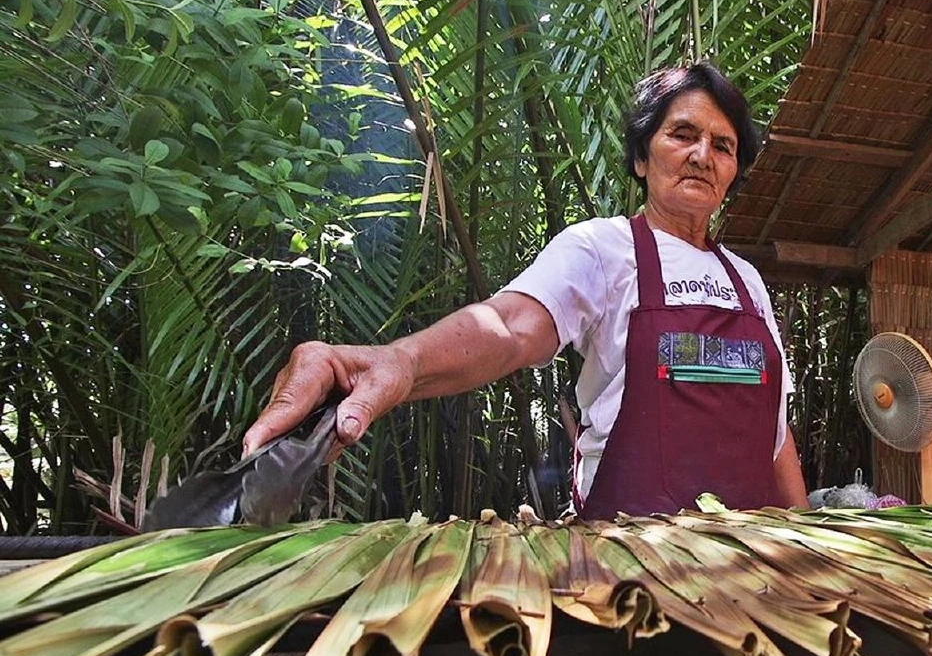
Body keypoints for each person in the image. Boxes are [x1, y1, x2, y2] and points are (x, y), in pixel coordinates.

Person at [243, 63, 809, 519]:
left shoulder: (748, 280)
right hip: (632, 562)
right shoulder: (602, 249)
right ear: (642, 157)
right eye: (682, 134)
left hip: (750, 563)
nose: (702, 155)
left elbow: (774, 434)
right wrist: (399, 363)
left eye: (723, 145)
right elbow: (510, 329)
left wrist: (810, 539)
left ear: (734, 171)